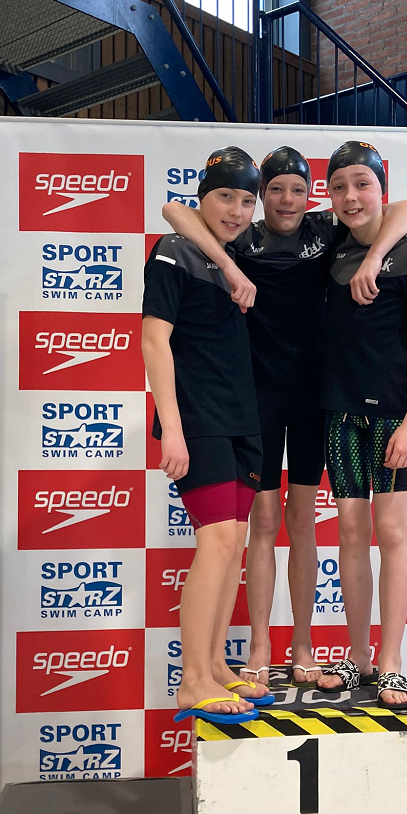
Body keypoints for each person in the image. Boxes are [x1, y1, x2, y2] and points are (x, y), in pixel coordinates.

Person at [162, 145, 407, 685]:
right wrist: (229, 266)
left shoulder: (326, 231)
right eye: (275, 189)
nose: (286, 200)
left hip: (312, 397)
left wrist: (374, 257)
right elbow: (174, 211)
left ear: (310, 196)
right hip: (253, 398)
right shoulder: (244, 236)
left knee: (302, 522)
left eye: (298, 190)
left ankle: (302, 644)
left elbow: (404, 209)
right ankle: (260, 645)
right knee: (261, 523)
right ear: (261, 196)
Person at [142, 145, 273, 725]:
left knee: (233, 543)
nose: (237, 211)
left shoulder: (235, 250)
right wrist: (171, 428)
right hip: (199, 419)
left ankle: (216, 664)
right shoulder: (173, 251)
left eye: (247, 200)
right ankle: (192, 679)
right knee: (216, 542)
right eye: (225, 197)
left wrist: (230, 263)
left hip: (241, 416)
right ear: (203, 197)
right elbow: (154, 340)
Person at [316, 140, 407, 709]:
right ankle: (358, 656)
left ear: (379, 188)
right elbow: (398, 206)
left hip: (391, 416)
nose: (350, 196)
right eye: (339, 186)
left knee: (391, 533)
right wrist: (363, 256)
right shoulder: (330, 241)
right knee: (350, 532)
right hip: (339, 412)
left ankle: (391, 662)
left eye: (362, 184)